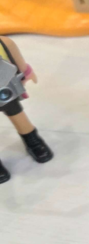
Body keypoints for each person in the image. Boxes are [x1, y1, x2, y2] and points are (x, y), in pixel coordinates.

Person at [0, 35, 52, 183]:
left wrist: (27, 73)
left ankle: (31, 139)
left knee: (17, 114)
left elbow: (17, 62)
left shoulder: (3, 43)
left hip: (4, 90)